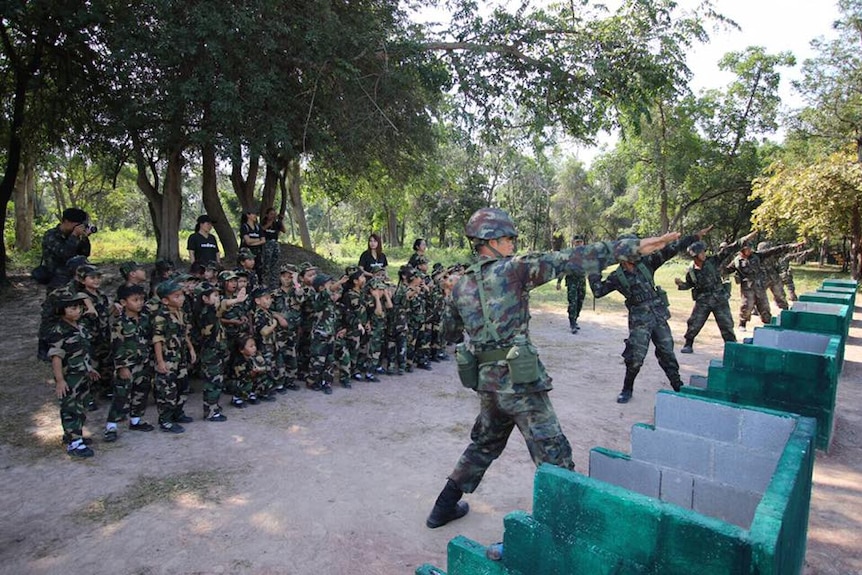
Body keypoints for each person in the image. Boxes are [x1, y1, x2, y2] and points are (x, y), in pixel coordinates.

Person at [425, 207, 678, 529]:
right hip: (521, 382)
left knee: (483, 444)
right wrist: (630, 247)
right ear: (491, 241)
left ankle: (442, 508)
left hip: (488, 384)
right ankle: (567, 525)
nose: (513, 244)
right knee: (553, 453)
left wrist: (453, 296)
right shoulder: (514, 270)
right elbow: (569, 259)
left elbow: (447, 333)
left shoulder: (461, 285)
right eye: (509, 239)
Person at [589, 230, 702, 403]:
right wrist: (594, 268)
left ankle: (678, 385)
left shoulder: (648, 263)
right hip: (639, 320)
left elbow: (672, 249)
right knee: (635, 357)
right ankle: (627, 388)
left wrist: (694, 237)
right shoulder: (617, 277)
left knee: (667, 352)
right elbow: (598, 291)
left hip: (658, 315)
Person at [47, 288, 100, 458]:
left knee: (81, 405)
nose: (76, 311)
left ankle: (74, 434)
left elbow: (83, 351)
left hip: (83, 374)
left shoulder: (80, 326)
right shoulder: (58, 330)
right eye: (71, 309)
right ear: (61, 311)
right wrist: (60, 380)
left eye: (78, 308)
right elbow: (56, 357)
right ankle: (74, 443)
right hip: (69, 376)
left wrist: (90, 368)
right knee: (70, 407)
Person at [674, 232, 738, 354]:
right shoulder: (691, 271)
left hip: (719, 298)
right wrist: (681, 284)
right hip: (703, 300)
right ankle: (688, 344)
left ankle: (732, 347)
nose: (704, 254)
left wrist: (745, 240)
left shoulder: (713, 261)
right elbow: (689, 284)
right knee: (694, 322)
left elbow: (730, 249)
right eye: (701, 252)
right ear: (695, 255)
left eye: (704, 251)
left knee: (726, 324)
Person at [105, 284, 154, 442]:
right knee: (121, 395)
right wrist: (122, 366)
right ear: (124, 302)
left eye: (141, 299)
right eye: (135, 300)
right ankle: (111, 426)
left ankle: (136, 420)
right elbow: (117, 346)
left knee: (141, 391)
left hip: (144, 363)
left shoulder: (145, 319)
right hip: (128, 365)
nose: (140, 303)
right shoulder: (119, 323)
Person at [152, 279, 197, 433]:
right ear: (165, 300)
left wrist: (191, 349)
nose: (181, 298)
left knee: (182, 387)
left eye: (181, 295)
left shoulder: (180, 313)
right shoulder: (161, 316)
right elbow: (157, 339)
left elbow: (184, 334)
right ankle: (165, 420)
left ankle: (178, 412)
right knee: (167, 390)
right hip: (168, 358)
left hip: (180, 356)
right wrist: (160, 361)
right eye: (176, 296)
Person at [41, 208, 93, 292]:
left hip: (76, 275)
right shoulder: (51, 235)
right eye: (77, 224)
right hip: (57, 276)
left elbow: (85, 254)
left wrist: (84, 238)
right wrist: (74, 235)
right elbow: (64, 254)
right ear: (66, 221)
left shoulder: (75, 235)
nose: (79, 227)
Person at [554, 234, 587, 334]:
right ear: (573, 243)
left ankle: (575, 319)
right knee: (573, 302)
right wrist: (559, 282)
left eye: (581, 242)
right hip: (572, 281)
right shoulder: (568, 255)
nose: (579, 244)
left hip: (582, 281)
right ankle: (572, 323)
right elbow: (563, 269)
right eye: (577, 242)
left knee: (580, 302)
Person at [261, 208, 286, 289]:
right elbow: (262, 229)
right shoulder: (264, 221)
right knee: (266, 263)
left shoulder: (277, 223)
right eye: (271, 214)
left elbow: (284, 230)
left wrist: (280, 221)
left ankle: (273, 283)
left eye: (274, 214)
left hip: (275, 243)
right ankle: (264, 282)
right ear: (267, 215)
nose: (273, 216)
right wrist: (269, 223)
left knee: (275, 263)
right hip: (267, 243)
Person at [240, 209, 265, 280]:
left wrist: (253, 242)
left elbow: (263, 240)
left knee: (259, 271)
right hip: (247, 254)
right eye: (253, 214)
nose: (255, 216)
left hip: (257, 253)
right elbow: (247, 241)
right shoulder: (245, 227)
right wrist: (258, 240)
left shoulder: (258, 227)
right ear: (248, 215)